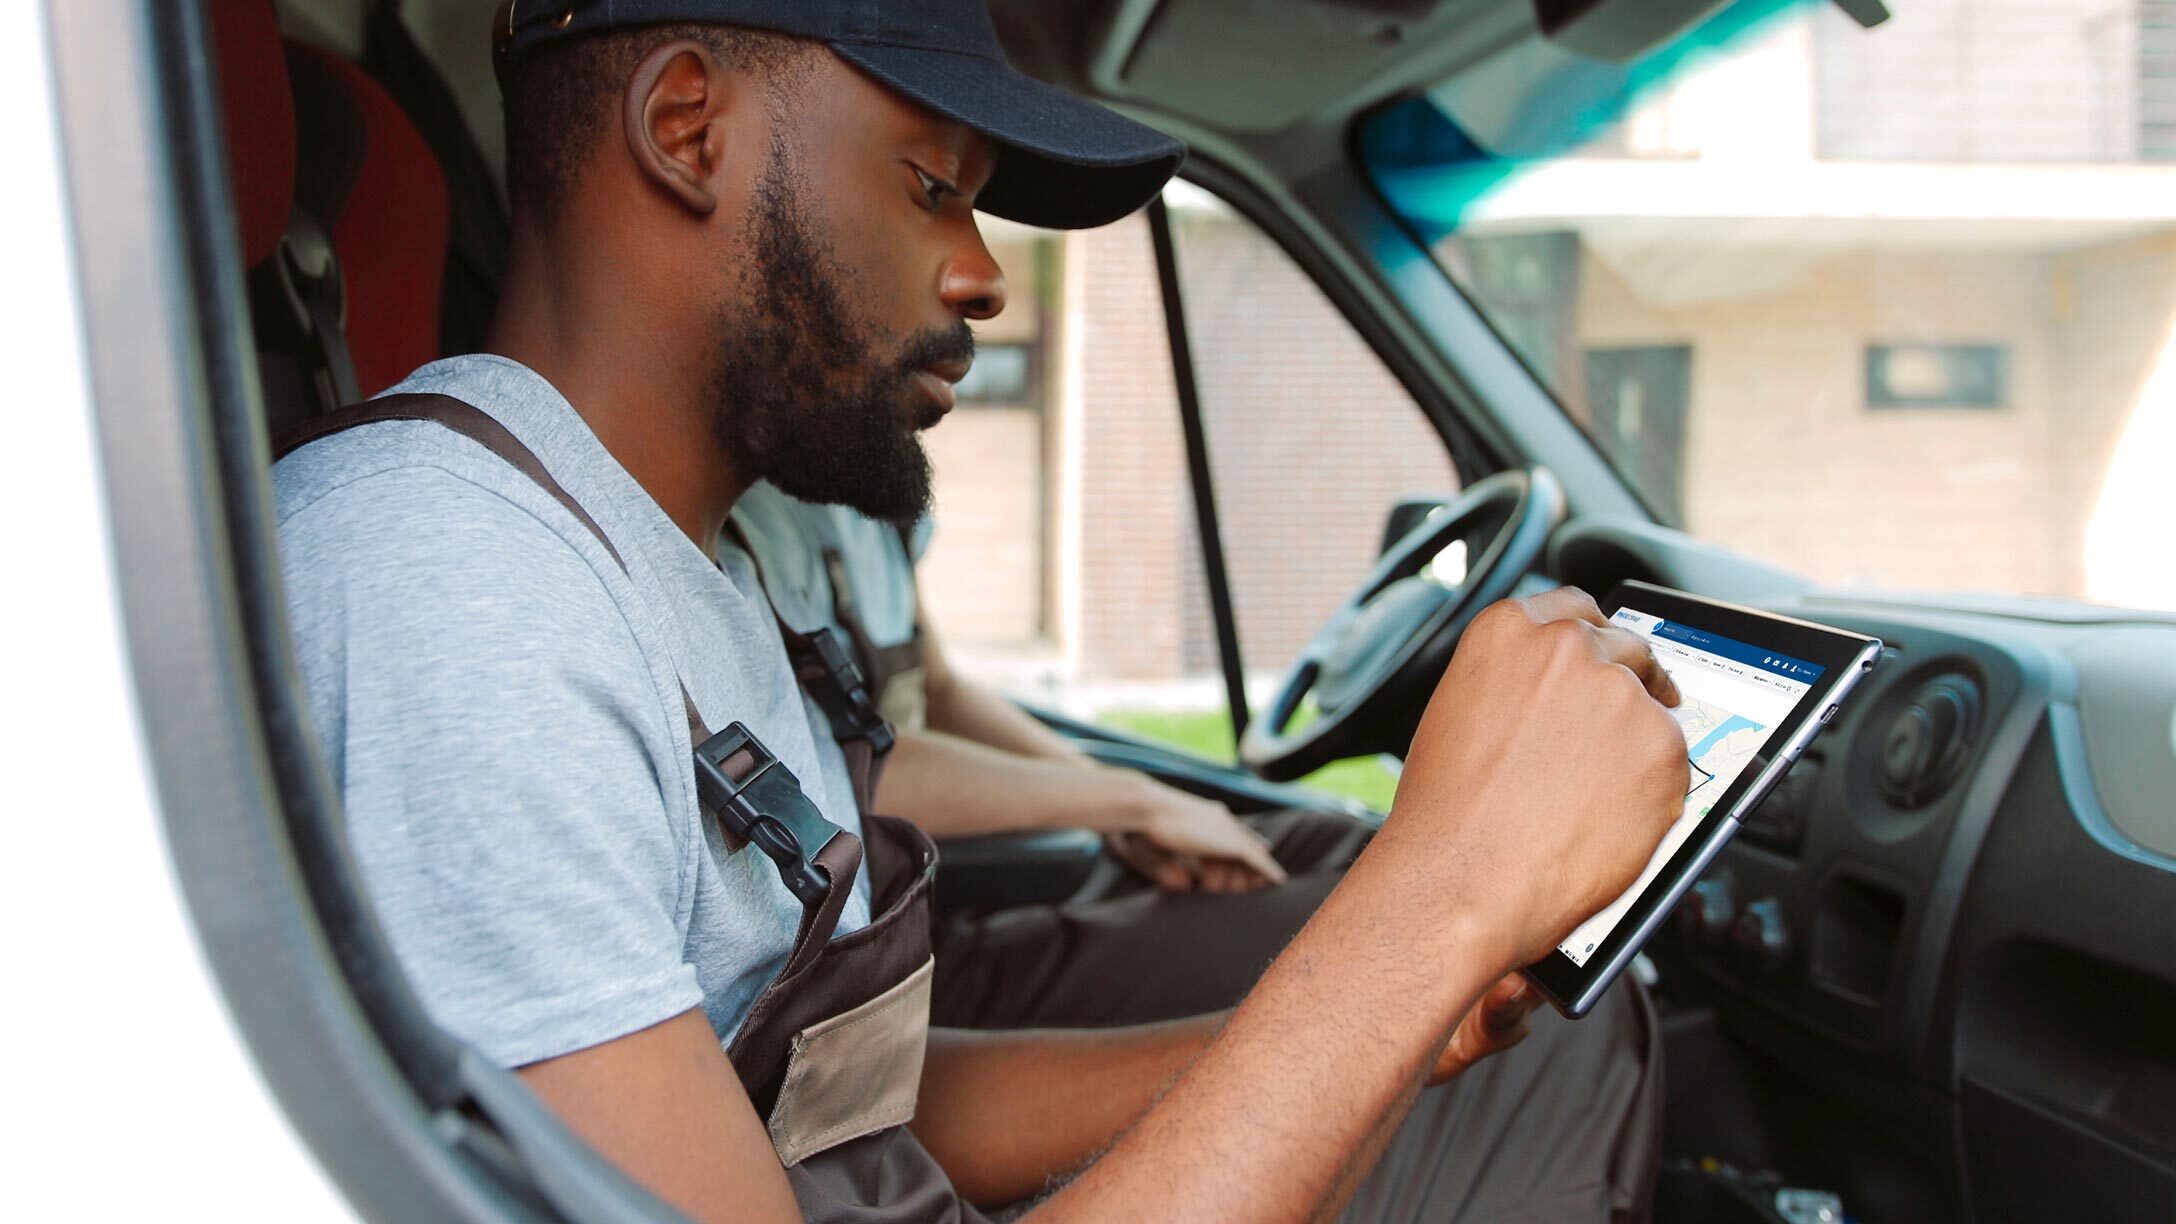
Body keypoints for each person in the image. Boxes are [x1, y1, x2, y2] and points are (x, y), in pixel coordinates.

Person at [273, 1, 1688, 1219]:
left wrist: (1400, 1021)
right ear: (688, 129)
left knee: (1496, 1074)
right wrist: (1428, 910)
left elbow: (837, 1111)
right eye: (930, 186)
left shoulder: (674, 568)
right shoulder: (453, 588)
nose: (986, 275)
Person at [730, 481, 1387, 1028]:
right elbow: (836, 773)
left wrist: (1124, 813)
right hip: (882, 955)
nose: (977, 320)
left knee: (1336, 847)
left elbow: (939, 690)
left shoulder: (879, 507)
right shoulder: (755, 525)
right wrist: (1131, 800)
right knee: (1350, 929)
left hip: (931, 893)